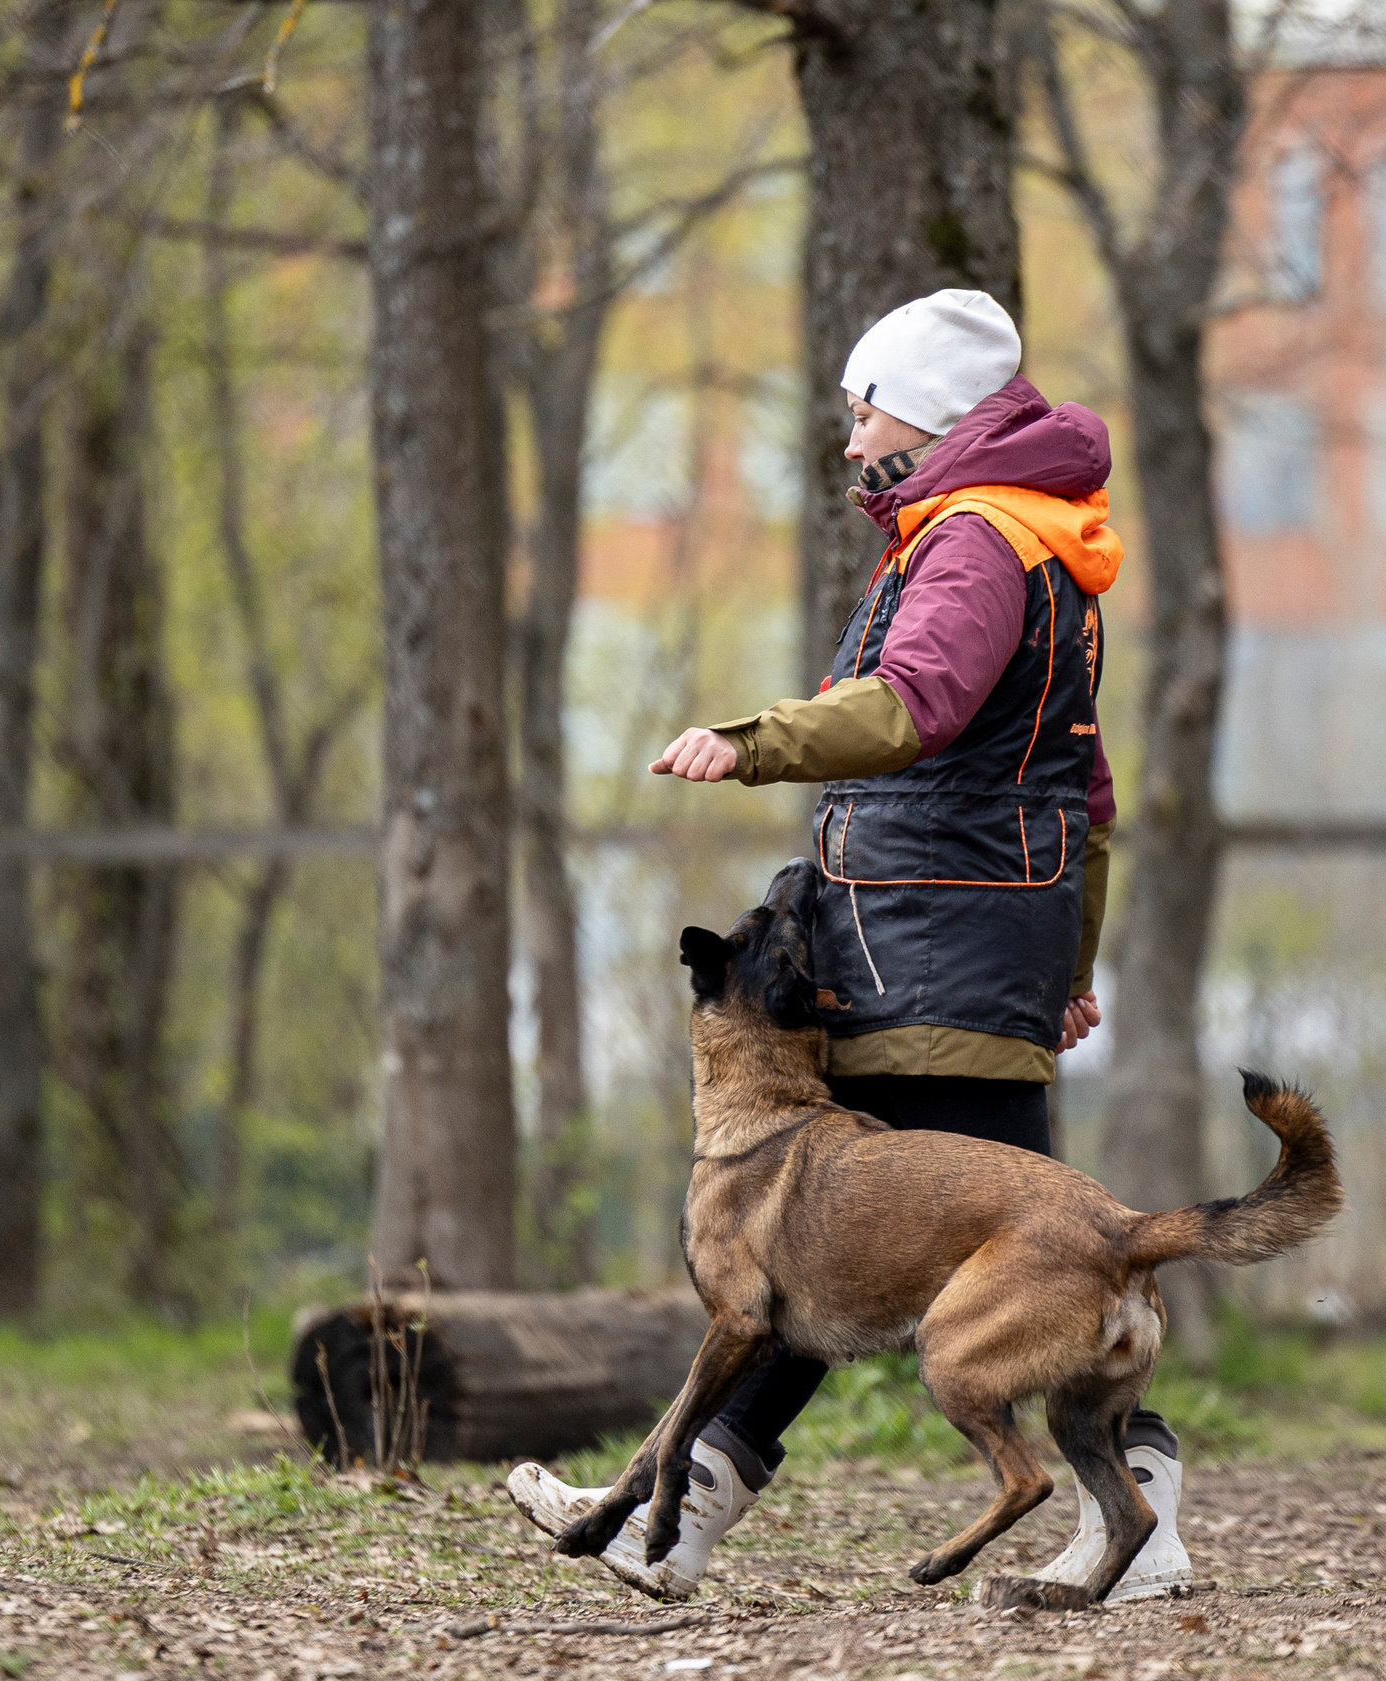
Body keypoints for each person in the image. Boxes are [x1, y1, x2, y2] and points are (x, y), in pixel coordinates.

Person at [508, 289, 1189, 1603]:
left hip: (928, 945)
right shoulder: (1027, 538)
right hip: (972, 943)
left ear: (925, 415)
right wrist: (1068, 966)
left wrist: (754, 740)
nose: (850, 438)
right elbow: (1087, 803)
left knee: (830, 1249)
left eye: (865, 411)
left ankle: (674, 1518)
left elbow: (912, 706)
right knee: (964, 1257)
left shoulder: (978, 543)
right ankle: (679, 1517)